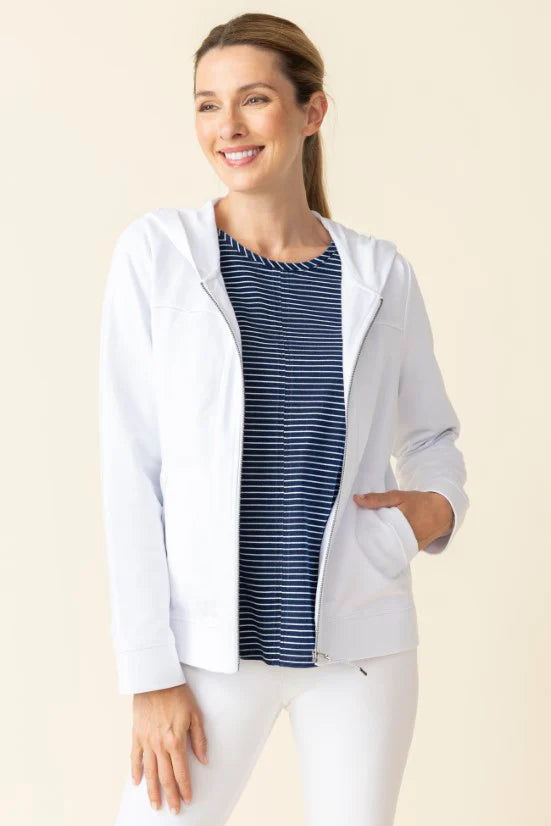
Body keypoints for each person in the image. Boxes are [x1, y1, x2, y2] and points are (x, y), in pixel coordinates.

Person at [98, 12, 469, 825]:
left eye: (254, 99)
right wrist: (150, 674)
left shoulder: (379, 273)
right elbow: (131, 472)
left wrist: (430, 512)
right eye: (206, 104)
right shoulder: (157, 255)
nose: (226, 126)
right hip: (207, 654)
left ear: (311, 111)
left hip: (361, 645)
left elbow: (431, 437)